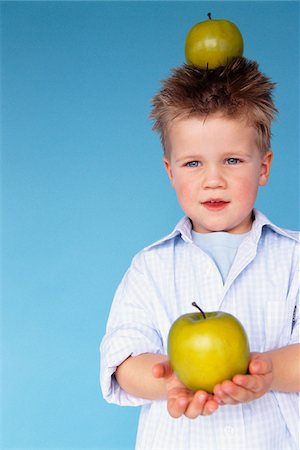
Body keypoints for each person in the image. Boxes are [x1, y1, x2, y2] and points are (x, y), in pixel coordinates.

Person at [100, 57, 299, 450]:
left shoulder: (295, 257)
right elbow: (123, 359)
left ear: (264, 166)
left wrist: (266, 372)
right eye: (193, 163)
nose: (213, 179)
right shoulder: (151, 266)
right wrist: (173, 379)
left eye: (232, 160)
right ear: (170, 171)